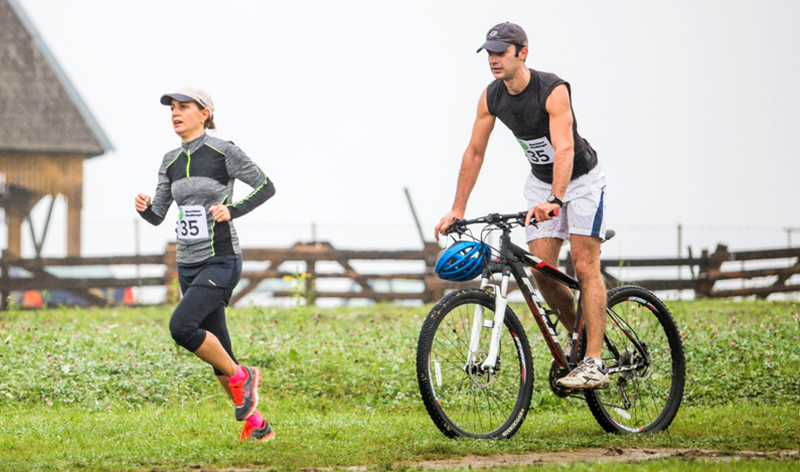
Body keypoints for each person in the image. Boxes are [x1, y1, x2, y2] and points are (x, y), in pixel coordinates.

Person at [434, 23, 610, 390]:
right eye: (490, 53)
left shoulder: (552, 90)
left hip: (580, 182)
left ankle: (595, 359)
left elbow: (563, 148)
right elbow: (475, 151)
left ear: (522, 52)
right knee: (542, 270)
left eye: (501, 52)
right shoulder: (491, 97)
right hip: (540, 184)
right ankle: (576, 340)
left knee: (583, 265)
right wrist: (457, 208)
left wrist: (556, 200)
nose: (494, 60)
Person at [134, 86, 277, 441]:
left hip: (221, 259)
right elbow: (158, 215)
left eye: (183, 107)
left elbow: (265, 186)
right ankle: (258, 426)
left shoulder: (223, 151)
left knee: (182, 327)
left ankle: (244, 376)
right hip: (188, 263)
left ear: (205, 113)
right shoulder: (169, 160)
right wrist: (144, 208)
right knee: (219, 354)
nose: (175, 114)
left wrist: (233, 210)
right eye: (172, 109)